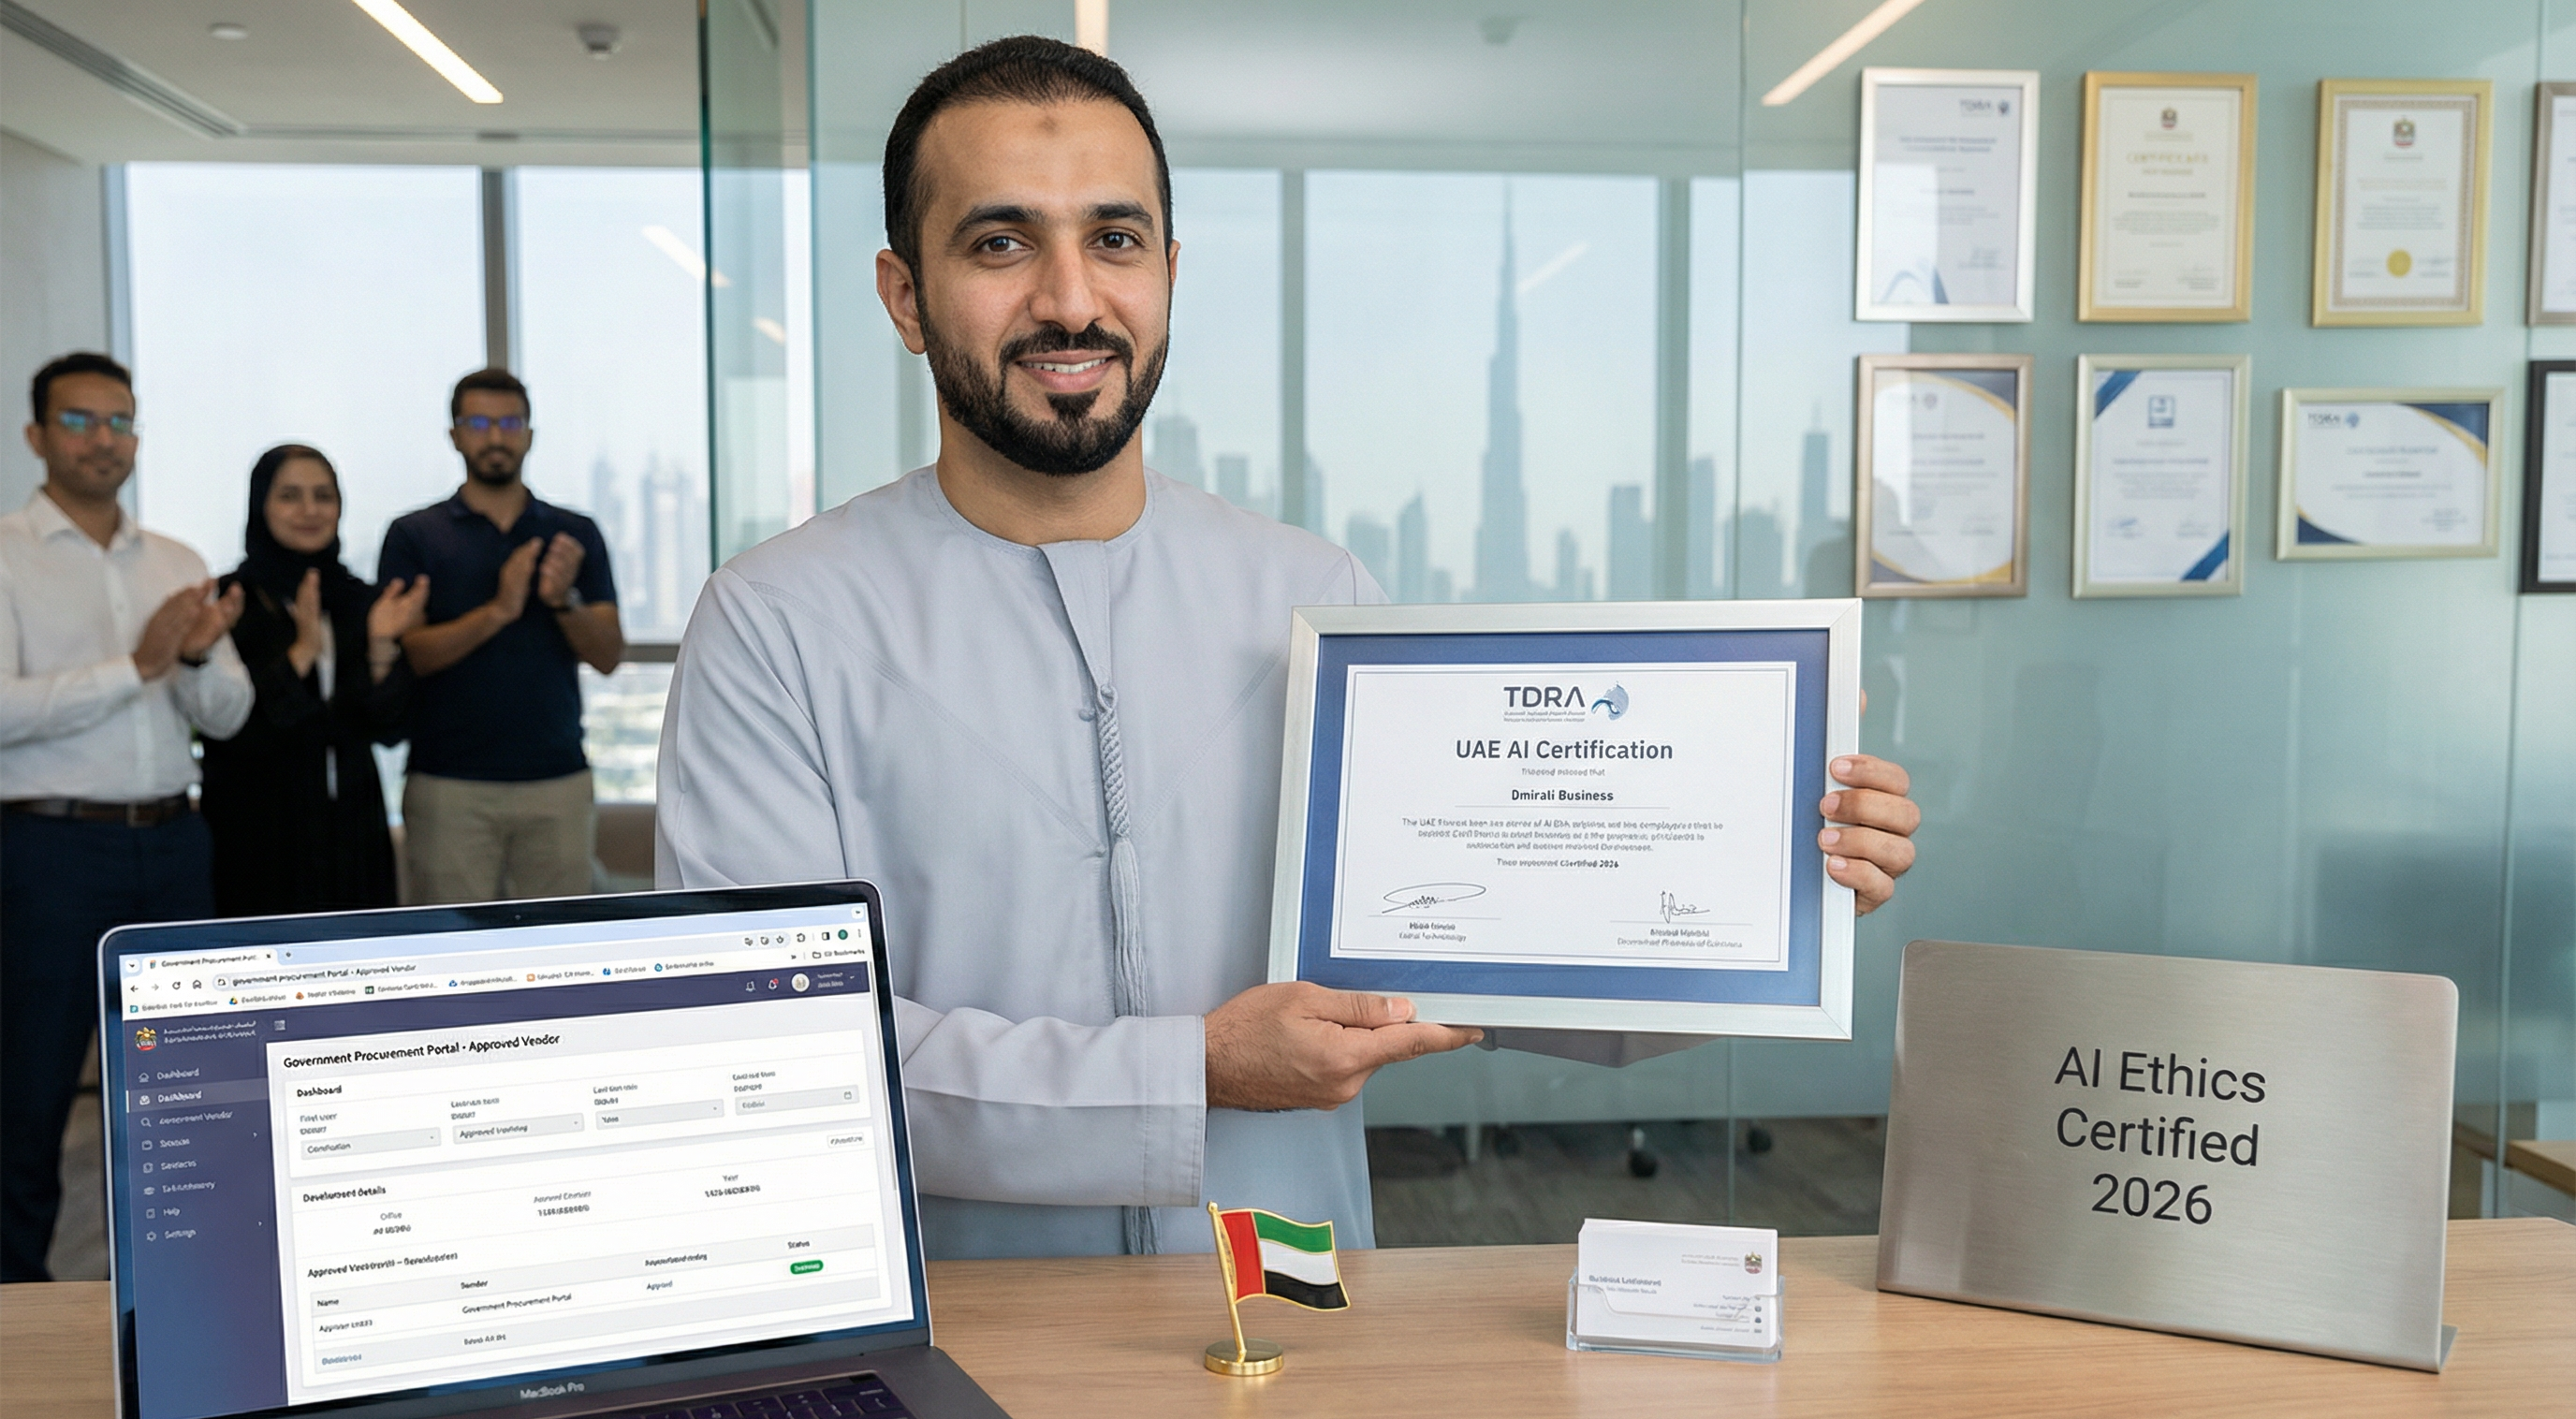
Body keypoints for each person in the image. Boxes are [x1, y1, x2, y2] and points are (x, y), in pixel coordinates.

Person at [656, 38, 1921, 1261]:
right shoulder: (778, 627)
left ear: (1165, 269)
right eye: (999, 243)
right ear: (904, 295)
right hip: (958, 1347)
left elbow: (1483, 957)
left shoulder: (1316, 597)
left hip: (1296, 1323)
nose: (1070, 298)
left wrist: (1778, 890)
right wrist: (1187, 1077)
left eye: (1115, 238)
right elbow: (774, 1052)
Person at [1, 352, 252, 1280]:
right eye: (79, 421)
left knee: (182, 1102)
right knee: (30, 1098)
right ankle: (17, 1315)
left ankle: (186, 1297)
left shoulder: (179, 562)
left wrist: (189, 662)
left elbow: (231, 712)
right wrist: (137, 666)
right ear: (37, 435)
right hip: (50, 851)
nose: (103, 439)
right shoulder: (6, 553)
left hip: (175, 844)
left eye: (120, 421)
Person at [378, 369, 622, 904]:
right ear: (455, 435)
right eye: (479, 422)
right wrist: (500, 609)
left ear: (530, 434)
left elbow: (607, 655)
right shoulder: (414, 534)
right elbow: (412, 654)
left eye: (510, 422)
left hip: (556, 780)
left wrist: (563, 600)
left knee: (563, 960)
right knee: (448, 959)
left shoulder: (573, 533)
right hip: (449, 786)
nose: (495, 437)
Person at [200, 445, 431, 916]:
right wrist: (301, 653)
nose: (309, 511)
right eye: (290, 496)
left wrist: (384, 650)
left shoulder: (359, 601)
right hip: (256, 834)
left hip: (352, 832)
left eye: (323, 496)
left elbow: (389, 729)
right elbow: (233, 728)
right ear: (260, 505)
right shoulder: (228, 603)